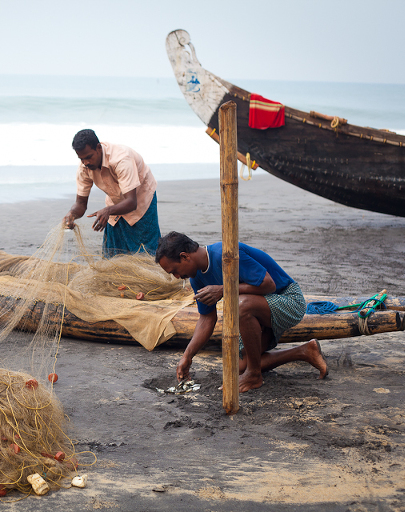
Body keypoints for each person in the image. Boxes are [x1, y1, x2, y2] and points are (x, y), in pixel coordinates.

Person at [154, 231, 328, 392]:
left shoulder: (225, 254)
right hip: (259, 311)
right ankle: (304, 351)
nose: (176, 277)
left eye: (175, 271)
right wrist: (187, 356)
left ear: (184, 257)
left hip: (288, 300)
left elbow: (269, 285)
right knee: (238, 366)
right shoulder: (196, 277)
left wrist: (223, 290)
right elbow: (207, 318)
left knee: (240, 304)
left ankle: (254, 375)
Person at [63, 129, 160, 258]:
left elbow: (131, 202)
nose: (85, 163)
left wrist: (108, 211)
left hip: (141, 199)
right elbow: (80, 203)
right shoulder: (84, 168)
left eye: (88, 157)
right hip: (114, 202)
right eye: (81, 159)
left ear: (98, 148)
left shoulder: (121, 159)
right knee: (114, 254)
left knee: (146, 252)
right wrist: (71, 215)